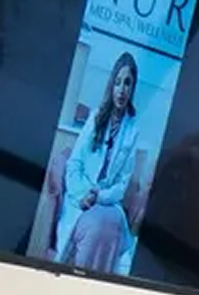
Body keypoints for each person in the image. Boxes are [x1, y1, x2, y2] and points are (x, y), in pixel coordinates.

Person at [55, 53, 144, 272]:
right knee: (95, 227)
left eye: (127, 83)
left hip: (107, 200)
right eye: (118, 82)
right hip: (81, 196)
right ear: (111, 85)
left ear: (133, 88)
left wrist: (99, 196)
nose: (122, 90)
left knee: (111, 225)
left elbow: (121, 186)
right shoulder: (95, 118)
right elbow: (74, 163)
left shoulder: (133, 131)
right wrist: (84, 194)